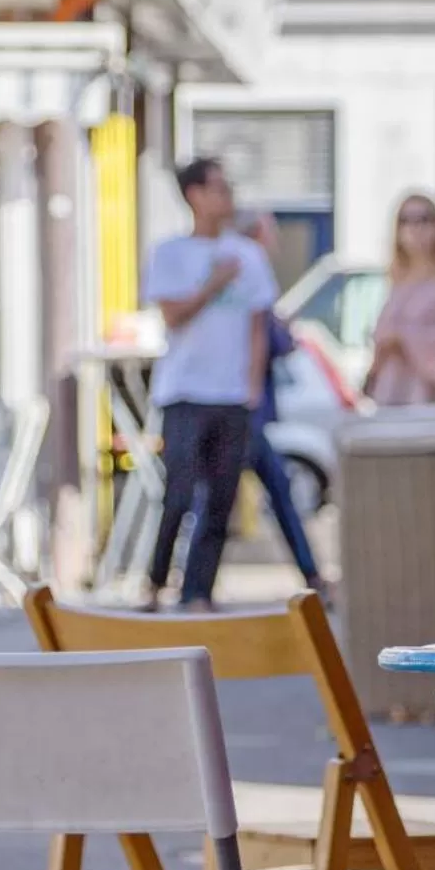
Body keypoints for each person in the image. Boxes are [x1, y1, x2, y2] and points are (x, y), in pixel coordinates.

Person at [142, 157, 274, 612]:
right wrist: (214, 284)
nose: (227, 196)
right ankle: (154, 581)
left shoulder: (250, 256)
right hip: (183, 391)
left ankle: (199, 590)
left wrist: (253, 384)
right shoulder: (170, 253)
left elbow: (259, 323)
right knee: (178, 492)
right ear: (194, 195)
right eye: (218, 187)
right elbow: (174, 315)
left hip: (232, 394)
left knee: (222, 496)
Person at [232, 210, 329, 600]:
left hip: (246, 404)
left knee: (271, 488)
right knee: (226, 494)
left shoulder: (246, 275)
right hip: (241, 404)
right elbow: (273, 339)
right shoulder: (246, 275)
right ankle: (312, 574)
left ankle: (312, 574)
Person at [367, 192, 435, 405]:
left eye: (424, 219)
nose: (415, 229)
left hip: (426, 396)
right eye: (406, 220)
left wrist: (406, 340)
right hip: (391, 391)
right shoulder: (398, 283)